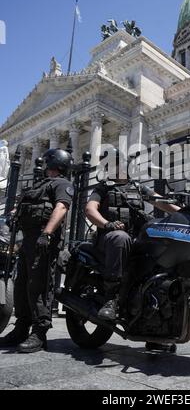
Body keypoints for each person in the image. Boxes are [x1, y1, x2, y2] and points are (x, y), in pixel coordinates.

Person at [85, 150, 180, 352]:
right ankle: (112, 298)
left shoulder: (137, 188)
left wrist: (188, 214)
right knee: (120, 238)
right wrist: (107, 224)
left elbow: (162, 202)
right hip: (110, 238)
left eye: (118, 163)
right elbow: (90, 210)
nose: (115, 168)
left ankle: (155, 330)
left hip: (136, 241)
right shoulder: (103, 188)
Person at [0, 149, 74, 353]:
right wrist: (14, 214)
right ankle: (21, 328)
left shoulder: (62, 184)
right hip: (27, 241)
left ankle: (39, 332)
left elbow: (61, 207)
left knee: (38, 286)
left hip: (43, 241)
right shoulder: (40, 185)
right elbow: (26, 206)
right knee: (22, 285)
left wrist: (47, 233)